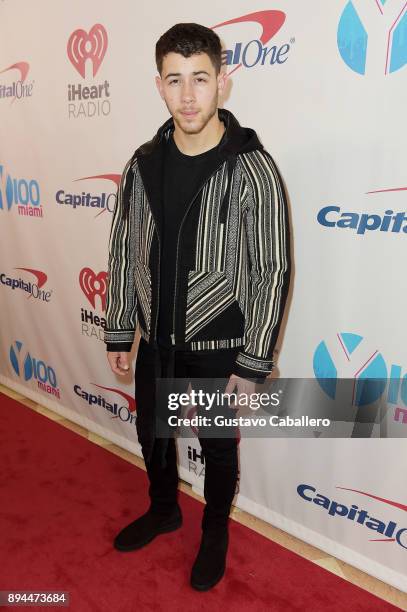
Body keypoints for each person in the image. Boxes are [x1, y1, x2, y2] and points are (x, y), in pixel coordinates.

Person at [104, 22, 291, 591]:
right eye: (175, 80)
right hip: (156, 339)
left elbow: (272, 269)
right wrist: (119, 332)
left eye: (200, 79)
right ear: (159, 85)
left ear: (223, 84)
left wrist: (253, 360)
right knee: (153, 434)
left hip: (217, 347)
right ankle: (164, 509)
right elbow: (121, 248)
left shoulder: (252, 167)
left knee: (216, 447)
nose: (188, 95)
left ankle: (214, 532)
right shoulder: (142, 163)